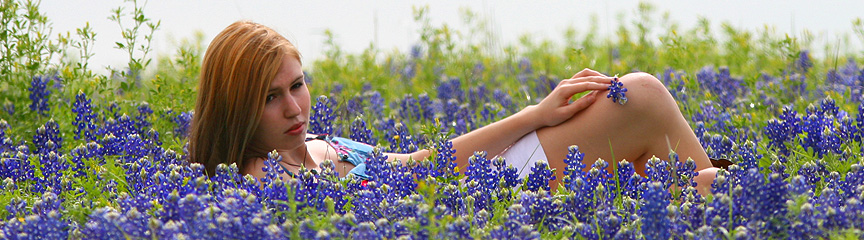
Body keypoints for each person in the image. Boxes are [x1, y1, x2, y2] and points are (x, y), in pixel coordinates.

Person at [188, 21, 720, 195]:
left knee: (640, 96)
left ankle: (719, 201)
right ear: (235, 109)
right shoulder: (255, 185)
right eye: (269, 97)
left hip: (478, 188)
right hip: (486, 211)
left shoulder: (323, 148)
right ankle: (725, 201)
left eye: (296, 86)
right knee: (646, 106)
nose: (293, 107)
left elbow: (427, 164)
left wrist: (537, 114)